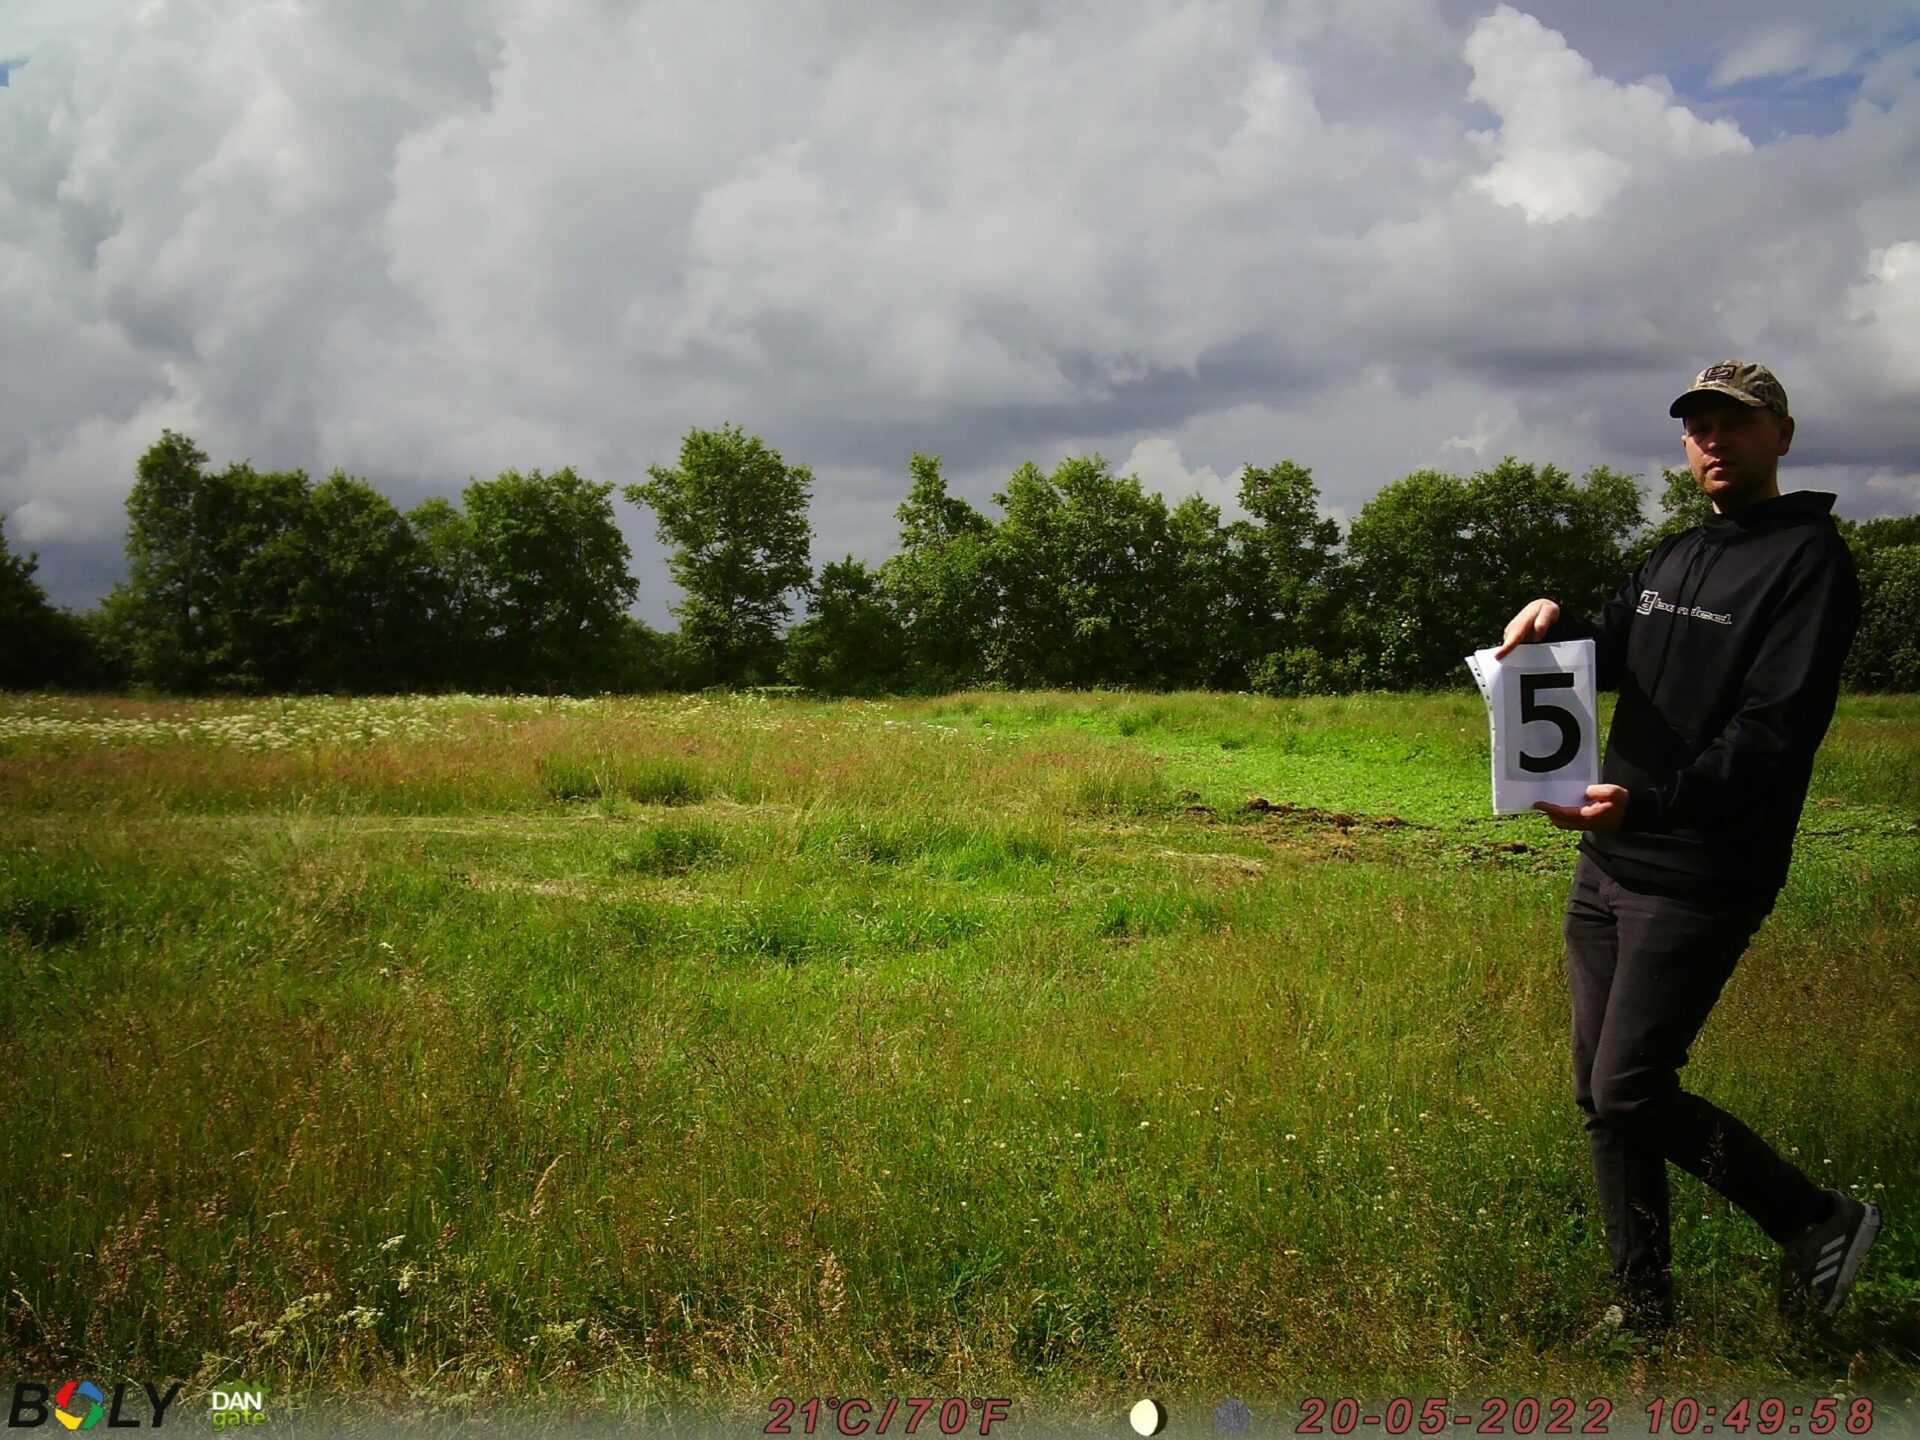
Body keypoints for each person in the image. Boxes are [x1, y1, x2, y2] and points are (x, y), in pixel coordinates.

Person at [1492, 360, 1878, 1340]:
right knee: (1599, 1094)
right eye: (1699, 426)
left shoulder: (1810, 566)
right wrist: (1549, 629)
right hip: (1611, 862)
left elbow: (1773, 731)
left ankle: (1816, 1218)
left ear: (1781, 436)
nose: (1715, 441)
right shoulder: (1674, 557)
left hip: (1703, 870)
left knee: (1629, 1085)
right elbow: (1607, 654)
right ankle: (1644, 1306)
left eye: (1736, 425)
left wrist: (1651, 803)